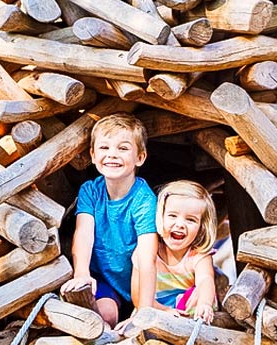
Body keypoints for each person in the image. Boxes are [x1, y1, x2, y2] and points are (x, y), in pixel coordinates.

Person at [62, 114, 158, 326]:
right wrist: (82, 274)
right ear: (93, 155)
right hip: (105, 279)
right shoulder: (90, 191)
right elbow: (84, 234)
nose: (112, 155)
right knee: (105, 315)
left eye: (123, 149)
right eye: (104, 148)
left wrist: (144, 309)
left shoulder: (144, 200)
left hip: (137, 282)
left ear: (140, 157)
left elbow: (147, 256)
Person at [146, 180, 217, 324]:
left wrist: (205, 303)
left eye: (190, 220)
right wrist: (164, 311)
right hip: (157, 310)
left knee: (198, 294)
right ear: (161, 217)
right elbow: (141, 296)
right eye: (172, 216)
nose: (180, 224)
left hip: (188, 313)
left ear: (201, 228)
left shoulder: (198, 255)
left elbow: (205, 280)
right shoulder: (149, 251)